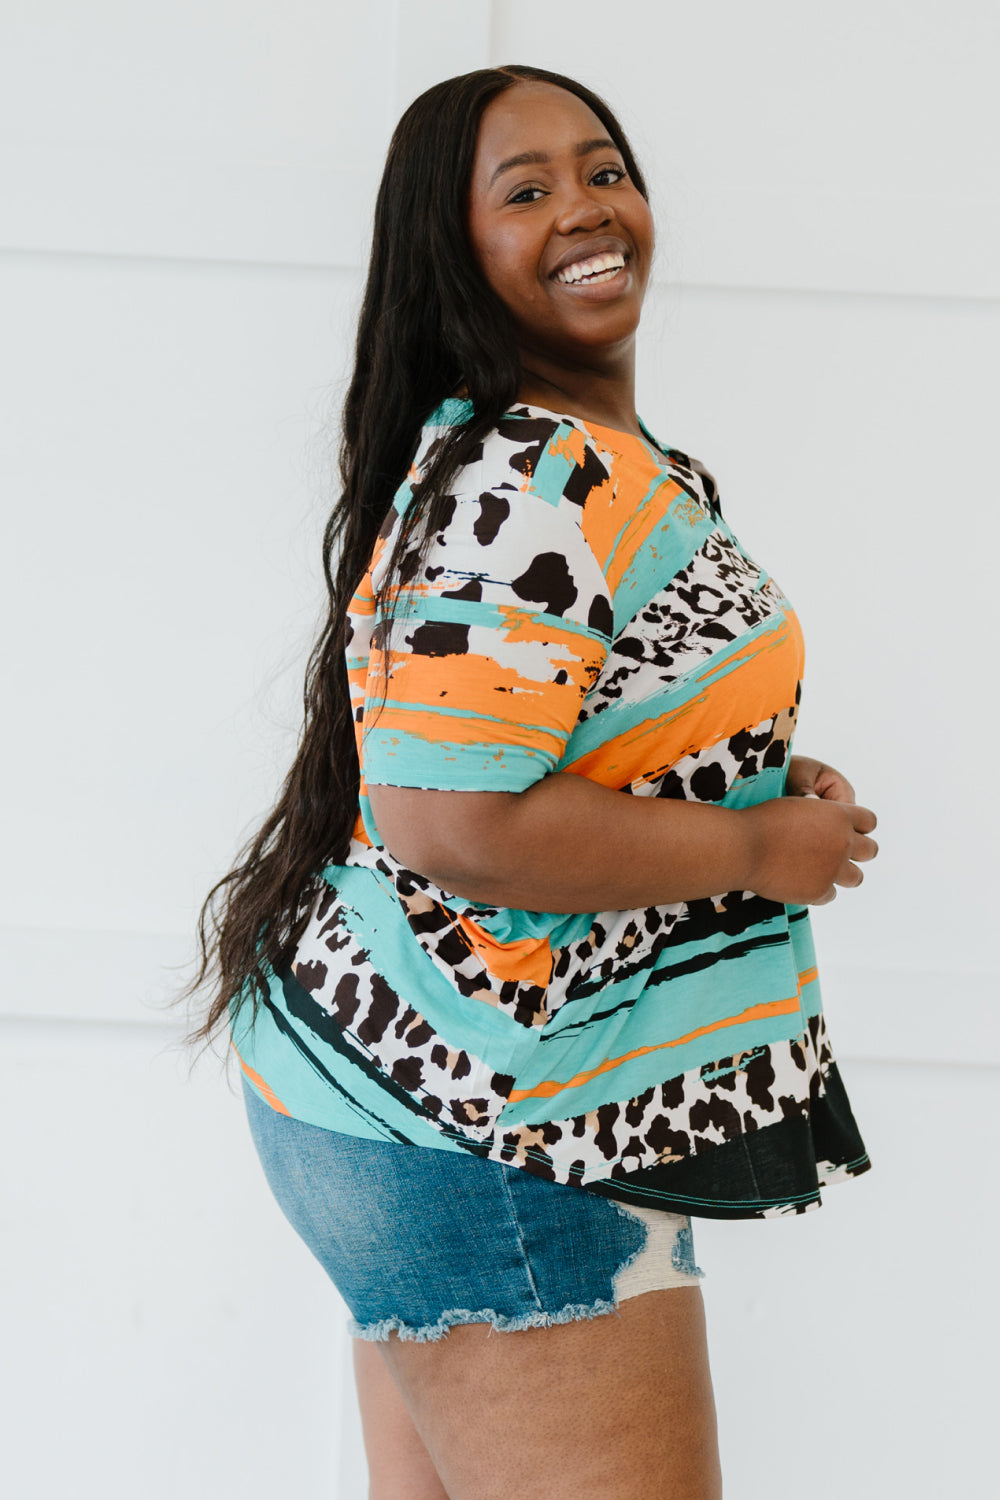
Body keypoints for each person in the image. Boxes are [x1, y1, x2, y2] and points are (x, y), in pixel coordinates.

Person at [187, 64, 879, 1500]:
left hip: (437, 1100)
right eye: (526, 190)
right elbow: (452, 817)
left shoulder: (593, 463)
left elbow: (546, 730)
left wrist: (736, 776)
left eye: (604, 169)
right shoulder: (538, 476)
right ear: (453, 249)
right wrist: (754, 854)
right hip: (490, 1121)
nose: (586, 207)